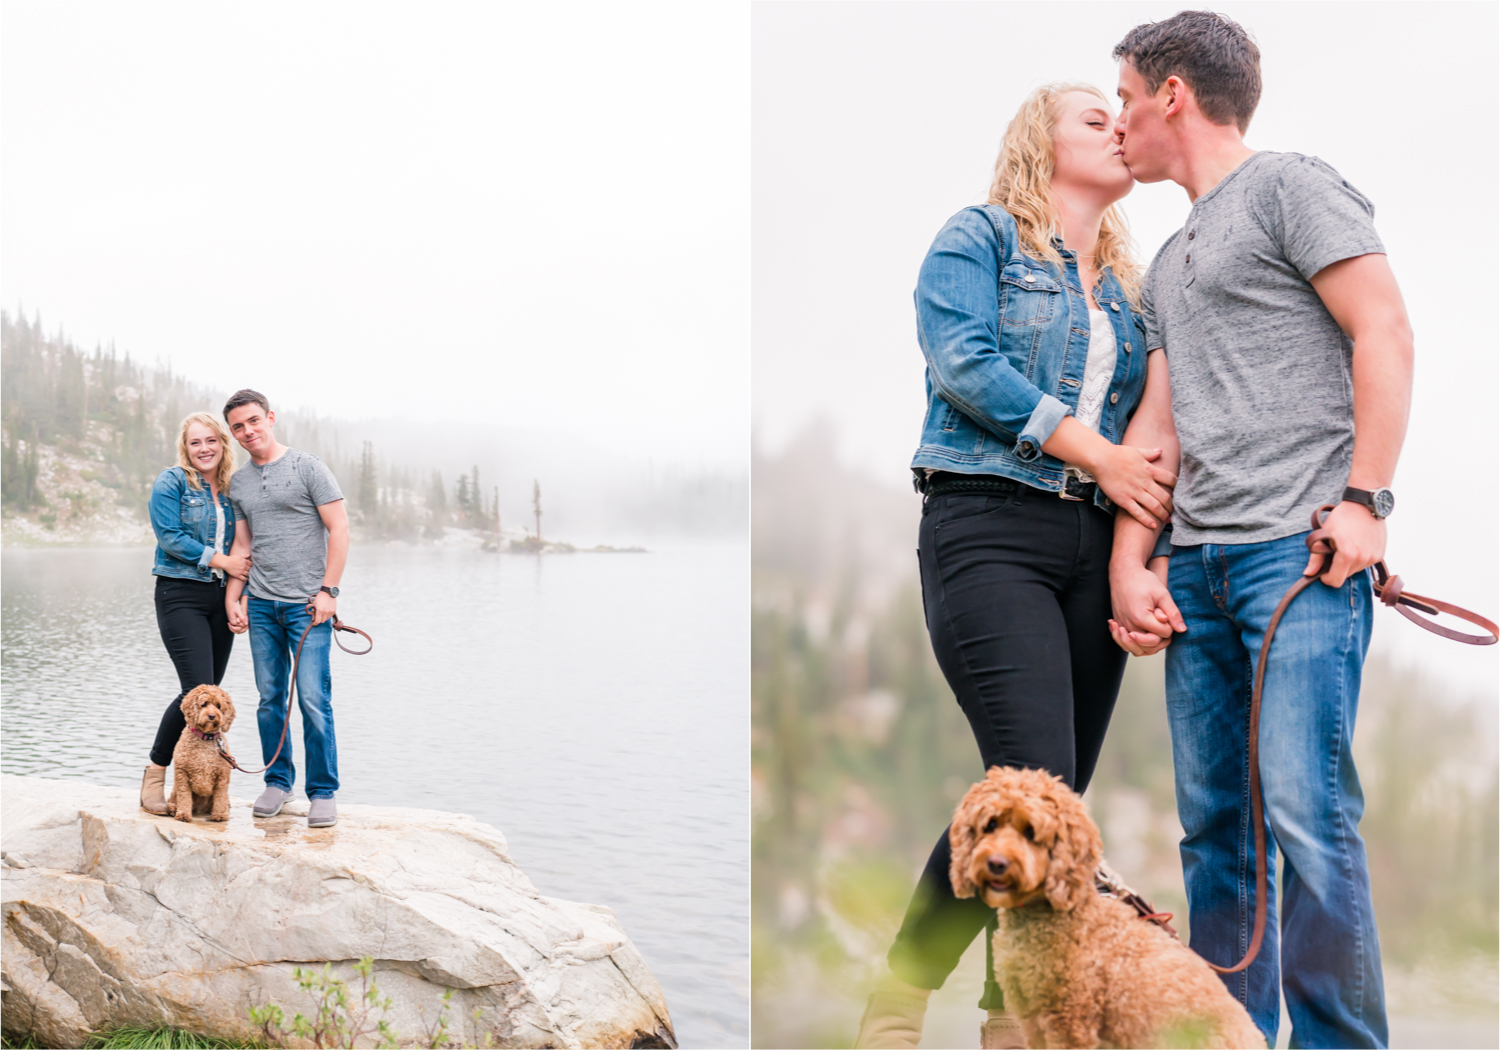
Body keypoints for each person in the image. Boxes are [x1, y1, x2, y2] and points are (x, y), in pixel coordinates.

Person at [1106, 12, 1412, 1048]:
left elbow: (1384, 328)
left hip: (1301, 558)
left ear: (1174, 95)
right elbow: (1158, 426)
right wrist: (1135, 564)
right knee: (1215, 836)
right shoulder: (1167, 261)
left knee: (1307, 818)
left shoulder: (1291, 187)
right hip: (1196, 570)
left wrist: (1367, 501)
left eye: (1127, 102)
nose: (1118, 125)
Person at [854, 83, 1178, 1050]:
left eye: (1121, 119)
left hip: (1096, 546)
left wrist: (1140, 557)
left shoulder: (1133, 291)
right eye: (1094, 119)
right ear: (1041, 141)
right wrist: (1097, 454)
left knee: (1052, 807)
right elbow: (964, 362)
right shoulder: (981, 239)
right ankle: (902, 999)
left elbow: (1152, 434)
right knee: (1030, 780)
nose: (1118, 129)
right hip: (990, 525)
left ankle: (1009, 1023)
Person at [221, 388, 351, 829]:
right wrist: (234, 597)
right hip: (261, 605)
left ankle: (323, 791)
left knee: (313, 699)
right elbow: (243, 546)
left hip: (308, 608)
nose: (247, 431)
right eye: (238, 427)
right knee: (270, 699)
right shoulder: (239, 483)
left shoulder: (307, 467)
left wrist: (329, 592)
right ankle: (278, 782)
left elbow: (339, 529)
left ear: (270, 418)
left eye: (253, 421)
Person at [140, 412, 250, 815]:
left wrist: (237, 600)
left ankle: (199, 783)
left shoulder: (234, 488)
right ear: (185, 448)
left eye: (211, 440)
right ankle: (155, 775)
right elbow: (170, 537)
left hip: (220, 597)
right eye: (195, 442)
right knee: (195, 690)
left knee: (209, 690)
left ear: (223, 443)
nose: (204, 449)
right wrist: (221, 561)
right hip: (180, 593)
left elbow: (243, 548)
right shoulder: (172, 482)